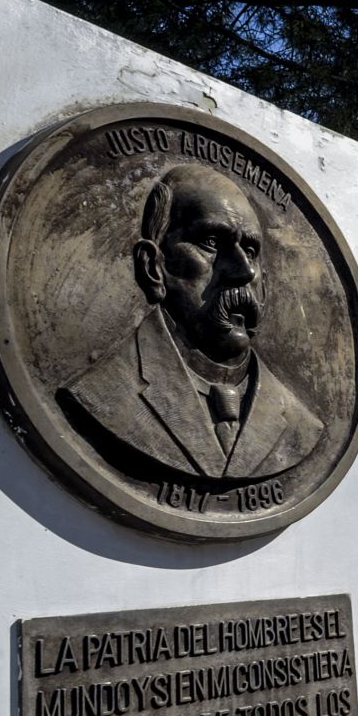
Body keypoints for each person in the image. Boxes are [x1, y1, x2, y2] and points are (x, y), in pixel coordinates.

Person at [62, 164, 323, 480]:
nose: (243, 271)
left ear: (265, 286)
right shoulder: (103, 394)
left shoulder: (301, 423)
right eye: (211, 241)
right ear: (153, 267)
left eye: (251, 250)